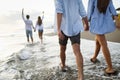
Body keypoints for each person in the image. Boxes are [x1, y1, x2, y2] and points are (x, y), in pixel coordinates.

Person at [55, 0, 89, 80]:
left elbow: (59, 12)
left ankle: (63, 65)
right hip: (75, 27)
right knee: (77, 51)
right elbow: (83, 12)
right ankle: (80, 76)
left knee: (62, 49)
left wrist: (58, 29)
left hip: (64, 27)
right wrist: (86, 24)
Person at [87, 0, 118, 74]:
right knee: (98, 40)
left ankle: (110, 68)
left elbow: (89, 11)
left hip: (97, 23)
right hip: (106, 22)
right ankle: (94, 58)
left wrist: (86, 21)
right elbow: (113, 10)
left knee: (103, 44)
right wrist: (116, 19)